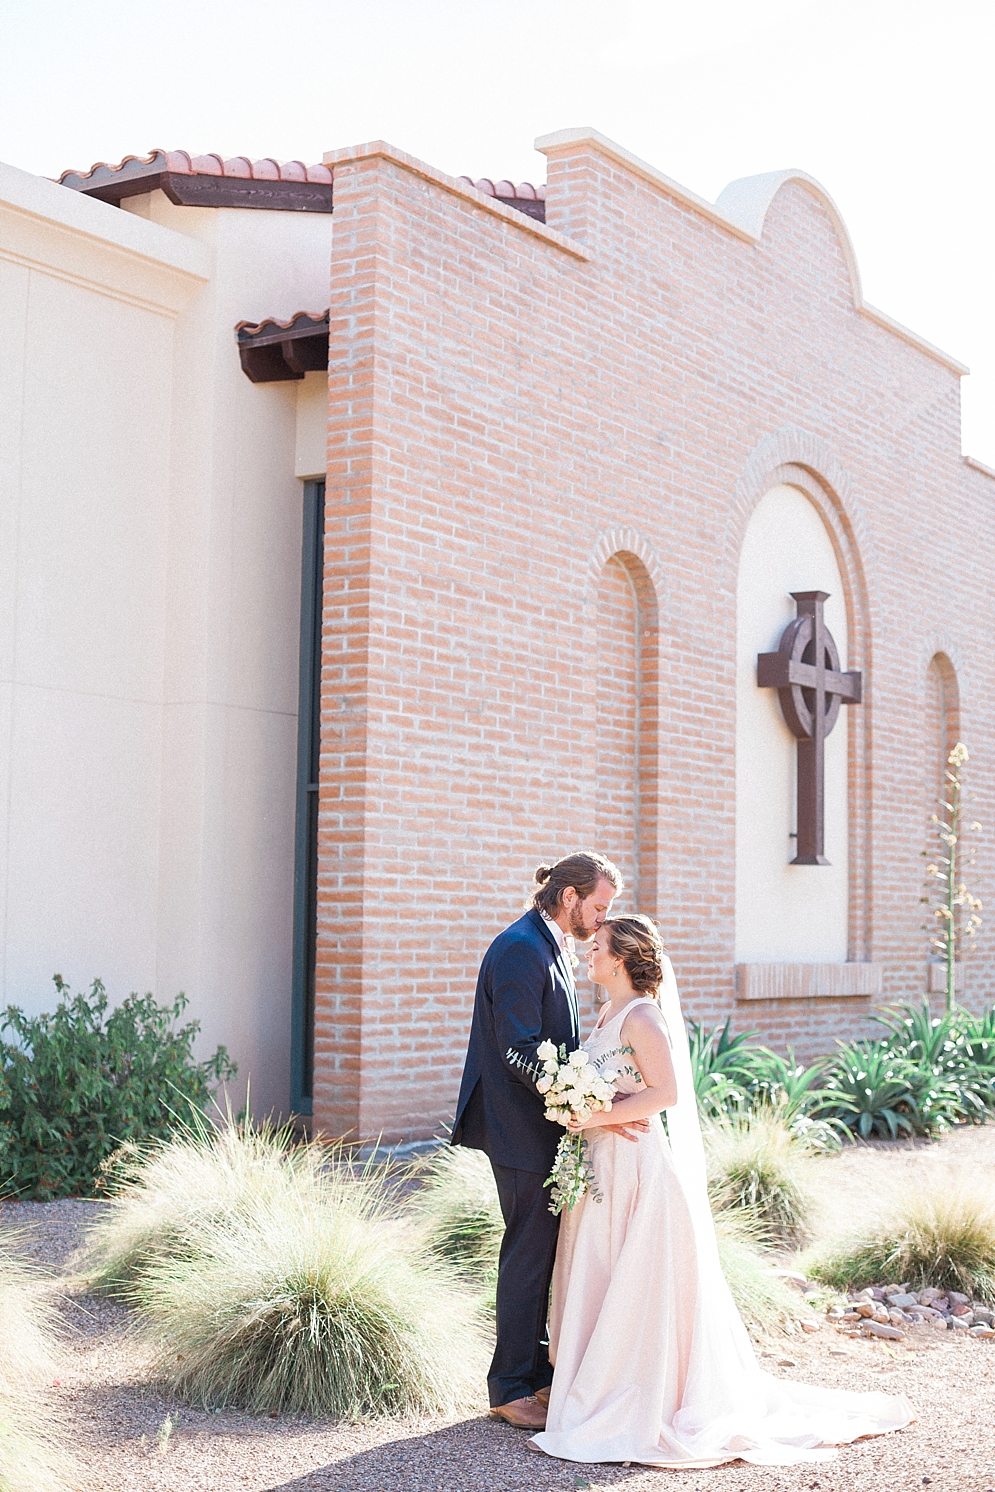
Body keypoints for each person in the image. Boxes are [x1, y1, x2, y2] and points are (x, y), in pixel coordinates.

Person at [529, 913, 915, 1467]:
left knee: (632, 1276)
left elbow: (666, 1095)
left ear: (619, 960)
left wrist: (592, 1115)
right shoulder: (607, 1012)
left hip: (636, 1168)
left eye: (597, 947)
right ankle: (591, 1390)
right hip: (602, 1165)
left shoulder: (642, 1017)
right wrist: (581, 1112)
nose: (586, 953)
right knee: (599, 1268)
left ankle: (635, 1398)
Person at [452, 851, 650, 1429]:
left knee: (542, 1253)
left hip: (541, 1127)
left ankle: (537, 1375)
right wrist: (589, 1106)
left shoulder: (548, 944)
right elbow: (518, 1049)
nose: (602, 917)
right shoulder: (520, 948)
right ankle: (510, 1387)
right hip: (517, 1130)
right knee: (526, 1253)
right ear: (570, 897)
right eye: (599, 905)